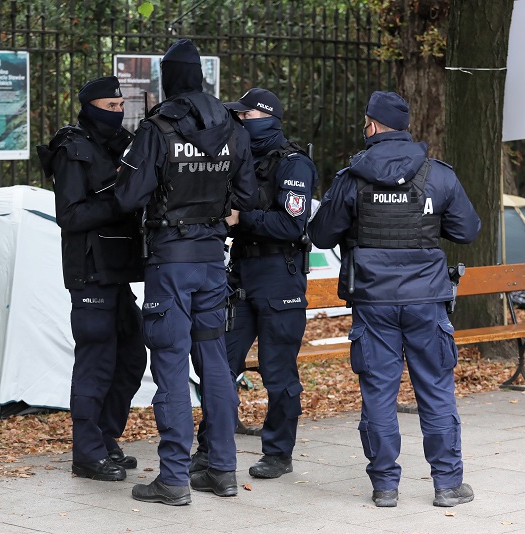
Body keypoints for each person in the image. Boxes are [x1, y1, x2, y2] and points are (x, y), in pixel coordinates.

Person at [308, 91, 481, 507]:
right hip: (427, 303)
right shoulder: (438, 175)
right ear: (404, 126)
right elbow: (467, 231)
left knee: (379, 393)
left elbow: (320, 234)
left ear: (371, 125)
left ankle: (385, 486)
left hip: (372, 303)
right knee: (436, 390)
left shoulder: (352, 178)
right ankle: (447, 484)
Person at [115, 39, 258, 505]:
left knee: (172, 366)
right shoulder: (232, 128)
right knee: (215, 363)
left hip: (170, 261)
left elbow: (126, 196)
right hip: (212, 259)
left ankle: (174, 477)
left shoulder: (157, 127)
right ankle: (222, 470)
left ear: (168, 78)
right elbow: (249, 193)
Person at [191, 88, 318, 479]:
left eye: (243, 118)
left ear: (266, 119)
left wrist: (241, 219)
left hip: (280, 278)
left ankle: (278, 453)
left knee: (278, 372)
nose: (237, 124)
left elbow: (291, 225)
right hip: (241, 276)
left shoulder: (294, 165)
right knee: (220, 365)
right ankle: (210, 450)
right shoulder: (238, 160)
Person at [36, 76, 147, 482]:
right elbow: (70, 216)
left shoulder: (120, 144)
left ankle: (104, 438)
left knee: (133, 356)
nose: (118, 113)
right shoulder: (72, 149)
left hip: (118, 273)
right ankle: (86, 453)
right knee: (96, 363)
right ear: (90, 107)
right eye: (111, 107)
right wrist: (120, 201)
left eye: (121, 107)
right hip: (90, 272)